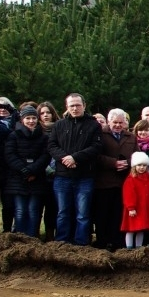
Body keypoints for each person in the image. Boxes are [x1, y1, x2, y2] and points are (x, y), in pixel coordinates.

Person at [47, 93, 102, 245]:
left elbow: (96, 147)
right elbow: (51, 145)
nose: (75, 108)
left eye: (78, 105)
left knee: (82, 214)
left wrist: (75, 158)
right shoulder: (59, 125)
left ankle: (81, 244)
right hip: (62, 176)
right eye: (71, 105)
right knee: (62, 213)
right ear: (67, 107)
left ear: (84, 105)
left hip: (85, 176)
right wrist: (65, 159)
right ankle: (62, 242)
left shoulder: (93, 125)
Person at [4, 105, 50, 237]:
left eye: (34, 118)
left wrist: (32, 171)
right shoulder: (13, 135)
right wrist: (24, 170)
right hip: (18, 179)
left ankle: (32, 237)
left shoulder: (43, 137)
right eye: (28, 118)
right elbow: (10, 155)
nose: (31, 121)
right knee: (20, 210)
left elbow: (45, 156)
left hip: (37, 178)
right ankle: (20, 238)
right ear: (22, 120)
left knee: (33, 210)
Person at [93, 108, 136, 251]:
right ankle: (102, 242)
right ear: (109, 121)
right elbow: (95, 155)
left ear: (125, 122)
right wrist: (113, 163)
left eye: (121, 122)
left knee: (118, 214)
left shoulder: (131, 137)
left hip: (123, 182)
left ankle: (116, 242)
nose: (118, 125)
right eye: (115, 122)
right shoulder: (100, 134)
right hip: (104, 182)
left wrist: (128, 163)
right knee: (102, 214)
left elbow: (137, 155)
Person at [120, 152, 149, 249]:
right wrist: (131, 208)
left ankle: (139, 248)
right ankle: (129, 248)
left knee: (141, 229)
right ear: (134, 166)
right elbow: (128, 195)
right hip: (134, 209)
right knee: (130, 229)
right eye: (139, 165)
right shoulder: (130, 180)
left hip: (144, 209)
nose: (142, 167)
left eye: (144, 165)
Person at [0, 97, 17, 232]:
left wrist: (14, 113)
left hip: (9, 168)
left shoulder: (17, 121)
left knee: (9, 203)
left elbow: (5, 132)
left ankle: (7, 231)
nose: (2, 109)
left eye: (6, 106)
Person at [37, 101, 61, 240]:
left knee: (55, 208)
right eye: (42, 113)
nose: (46, 115)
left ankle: (52, 235)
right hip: (41, 174)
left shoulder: (60, 128)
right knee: (39, 208)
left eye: (48, 112)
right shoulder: (36, 131)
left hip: (58, 173)